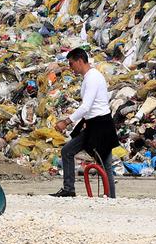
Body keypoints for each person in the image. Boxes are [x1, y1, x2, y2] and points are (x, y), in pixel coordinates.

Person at [50, 47, 119, 198]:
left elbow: (86, 106)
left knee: (104, 164)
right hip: (94, 123)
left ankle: (111, 197)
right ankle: (69, 189)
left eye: (71, 63)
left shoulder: (93, 78)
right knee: (68, 151)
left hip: (101, 125)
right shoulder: (89, 77)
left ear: (80, 61)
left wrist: (66, 122)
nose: (71, 68)